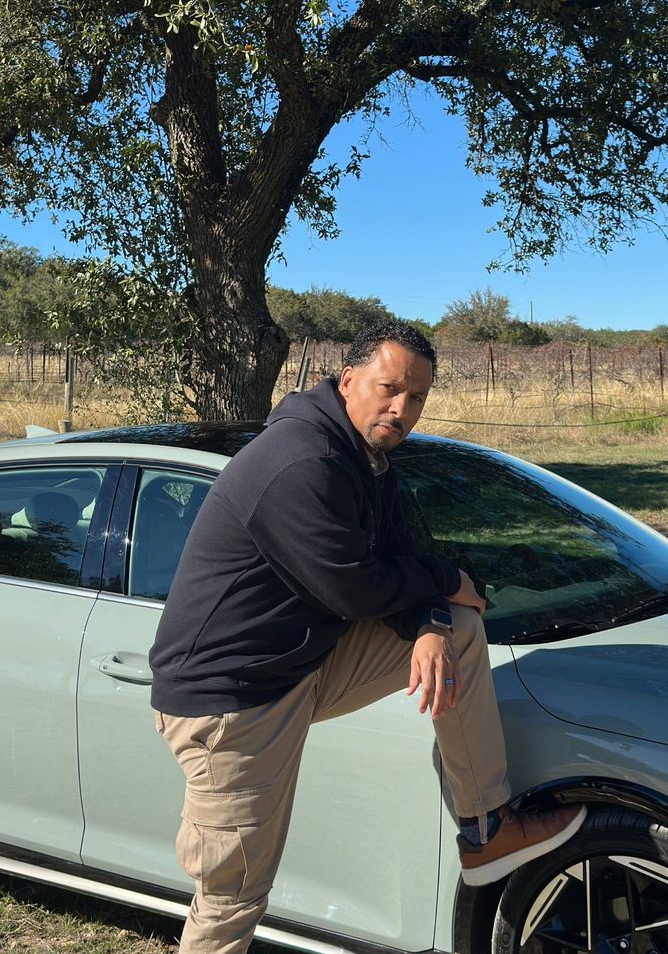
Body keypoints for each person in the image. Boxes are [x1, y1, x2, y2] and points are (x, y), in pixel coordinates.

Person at [150, 320, 585, 954]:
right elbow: (352, 589)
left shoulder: (366, 457)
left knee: (461, 627)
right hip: (233, 698)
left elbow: (397, 558)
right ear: (347, 379)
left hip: (299, 664)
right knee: (233, 892)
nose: (401, 408)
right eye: (390, 389)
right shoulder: (303, 460)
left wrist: (430, 624)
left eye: (416, 397)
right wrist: (446, 581)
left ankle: (485, 830)